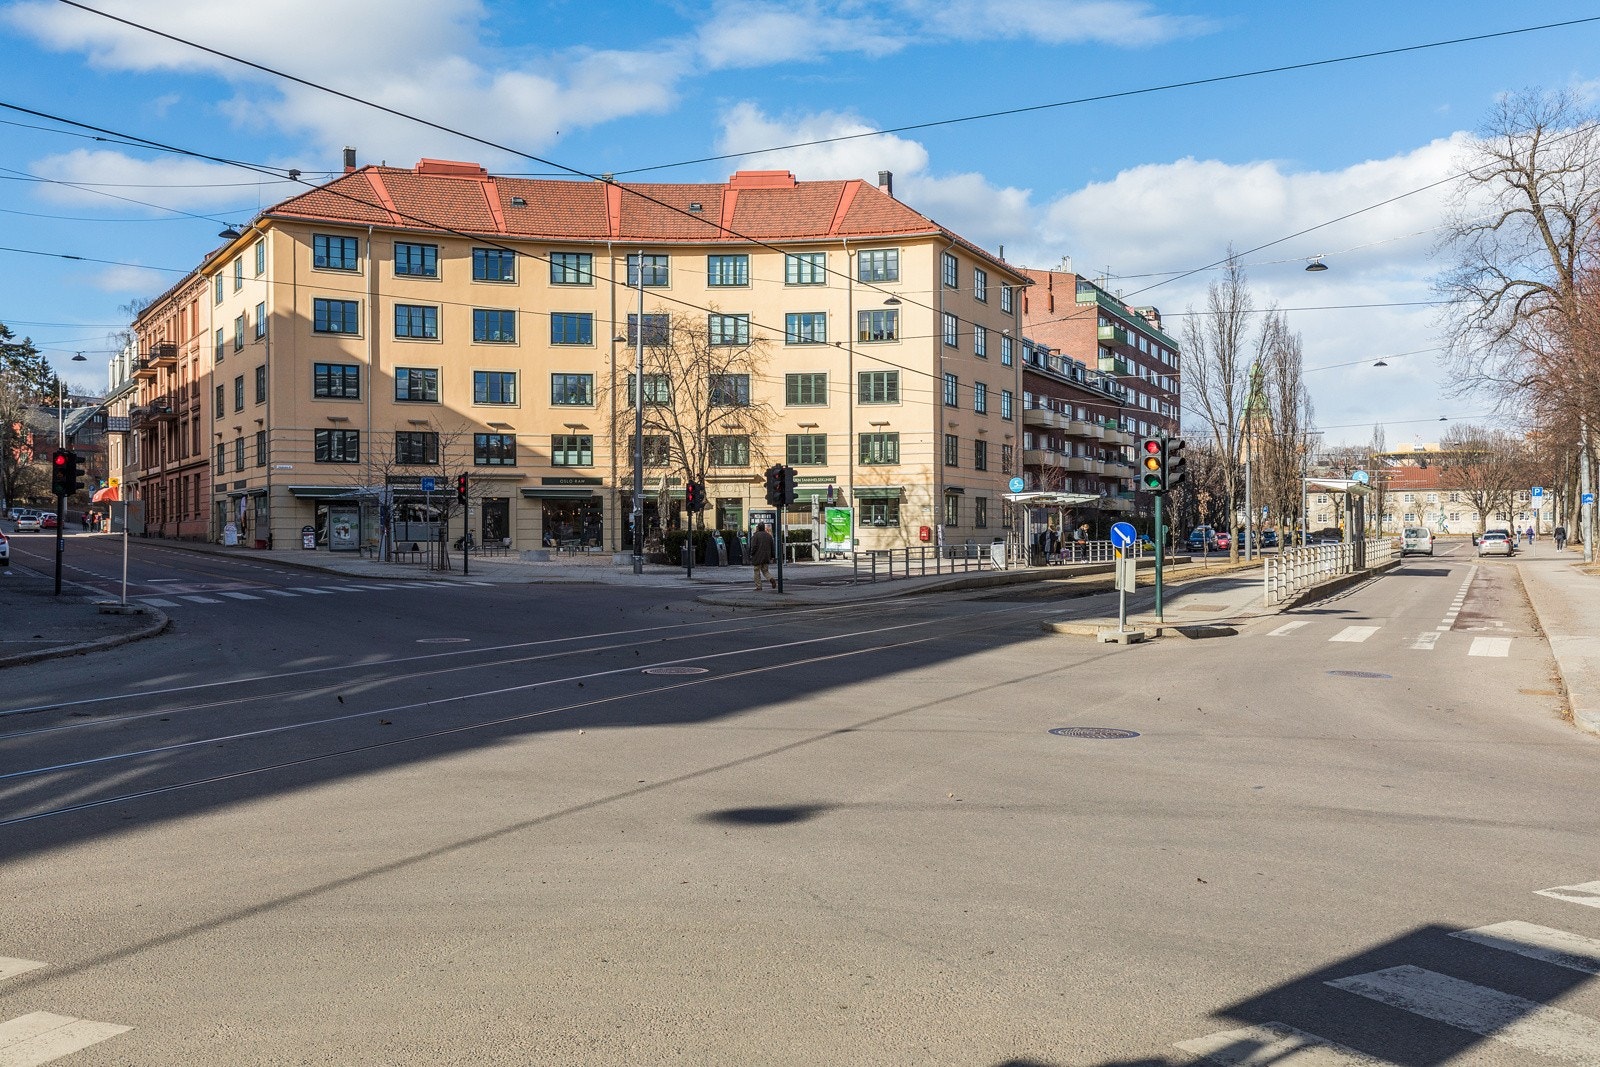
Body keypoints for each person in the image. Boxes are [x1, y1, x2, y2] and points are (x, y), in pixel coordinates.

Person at [749, 522, 776, 591]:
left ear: (758, 528)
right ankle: (771, 579)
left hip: (757, 557)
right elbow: (772, 547)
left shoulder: (756, 536)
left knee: (756, 571)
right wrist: (772, 556)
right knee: (765, 571)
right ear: (764, 528)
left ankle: (759, 586)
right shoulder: (769, 536)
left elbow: (754, 547)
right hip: (766, 557)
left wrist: (751, 554)